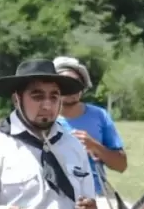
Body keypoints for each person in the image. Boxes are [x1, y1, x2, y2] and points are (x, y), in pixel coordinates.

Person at [0, 59, 97, 209]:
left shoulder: (73, 146)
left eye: (54, 97)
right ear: (17, 99)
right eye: (37, 96)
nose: (47, 105)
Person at [52, 56, 126, 195]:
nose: (71, 89)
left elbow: (121, 165)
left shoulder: (99, 116)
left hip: (95, 196)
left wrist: (95, 146)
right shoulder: (41, 119)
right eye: (65, 84)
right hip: (54, 198)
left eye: (76, 83)